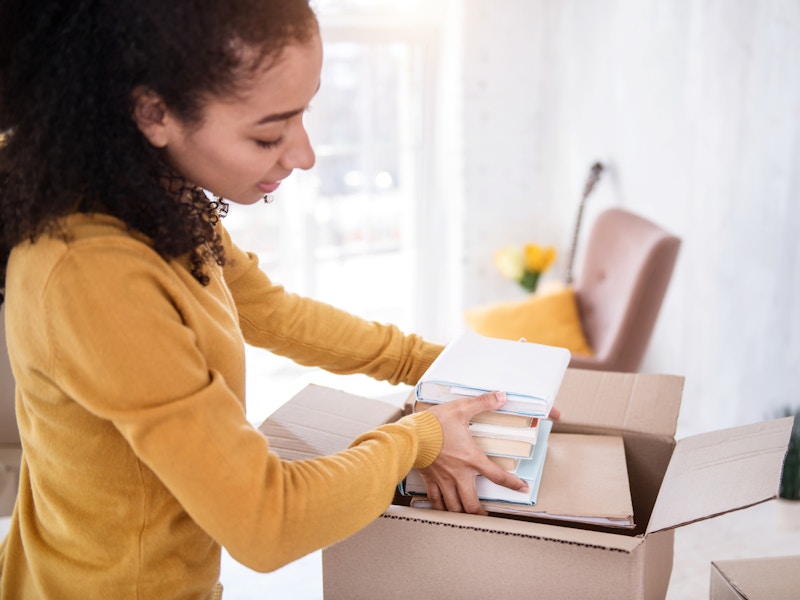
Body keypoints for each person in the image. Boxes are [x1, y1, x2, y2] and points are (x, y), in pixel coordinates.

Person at [0, 2, 537, 598]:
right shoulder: (92, 275)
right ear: (153, 112)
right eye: (268, 134)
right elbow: (267, 521)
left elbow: (272, 313)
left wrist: (434, 365)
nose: (303, 154)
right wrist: (419, 436)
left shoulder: (158, 198)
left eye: (302, 115)